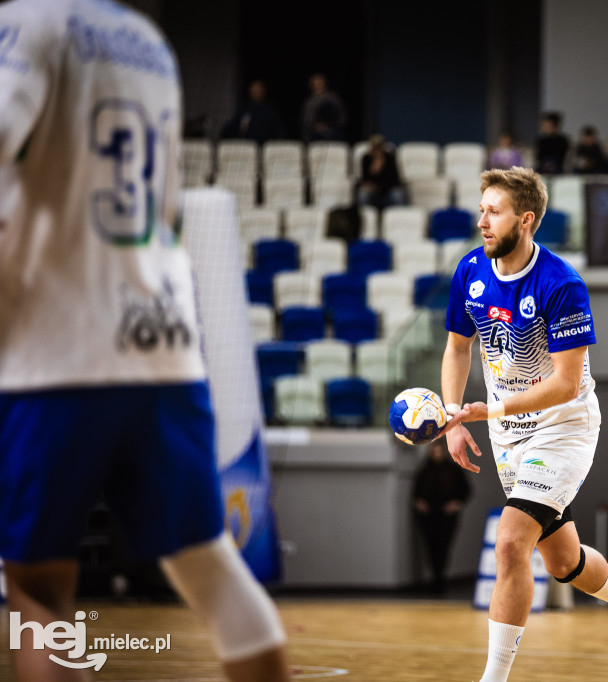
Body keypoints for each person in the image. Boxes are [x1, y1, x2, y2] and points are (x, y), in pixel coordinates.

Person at [0, 1, 290, 680]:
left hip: (59, 352)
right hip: (162, 339)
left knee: (38, 591)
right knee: (210, 568)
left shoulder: (26, 23)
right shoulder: (145, 40)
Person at [440, 167, 608, 681]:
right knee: (563, 561)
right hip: (507, 434)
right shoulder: (470, 272)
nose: (482, 221)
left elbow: (568, 383)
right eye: (481, 209)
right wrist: (454, 417)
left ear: (525, 220)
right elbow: (458, 347)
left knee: (509, 542)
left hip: (562, 426)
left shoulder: (562, 283)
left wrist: (490, 409)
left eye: (493, 211)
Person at [413, 440, 471, 593]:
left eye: (439, 451)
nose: (437, 454)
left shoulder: (453, 469)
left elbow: (466, 490)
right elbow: (416, 493)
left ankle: (440, 579)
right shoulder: (424, 469)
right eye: (434, 451)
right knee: (430, 547)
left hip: (447, 516)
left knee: (443, 547)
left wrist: (456, 503)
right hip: (428, 516)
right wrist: (419, 503)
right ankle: (435, 579)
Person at [220, 80, 287, 144]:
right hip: (247, 148)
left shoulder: (271, 112)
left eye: (258, 91)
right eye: (253, 91)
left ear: (263, 92)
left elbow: (279, 133)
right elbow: (229, 130)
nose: (255, 93)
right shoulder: (244, 111)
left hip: (265, 148)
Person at [357, 134, 405, 210]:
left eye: (378, 147)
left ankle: (399, 216)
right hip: (372, 191)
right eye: (374, 147)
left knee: (398, 194)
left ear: (383, 147)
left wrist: (381, 164)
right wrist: (373, 169)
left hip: (388, 190)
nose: (377, 150)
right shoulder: (366, 158)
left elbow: (394, 179)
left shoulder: (390, 158)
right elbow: (365, 179)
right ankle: (364, 216)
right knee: (363, 194)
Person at [301, 72, 345, 142]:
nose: (317, 85)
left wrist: (327, 127)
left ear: (324, 83)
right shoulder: (309, 101)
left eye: (319, 82)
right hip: (313, 137)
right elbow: (305, 122)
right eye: (315, 82)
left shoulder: (333, 98)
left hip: (332, 136)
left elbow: (342, 118)